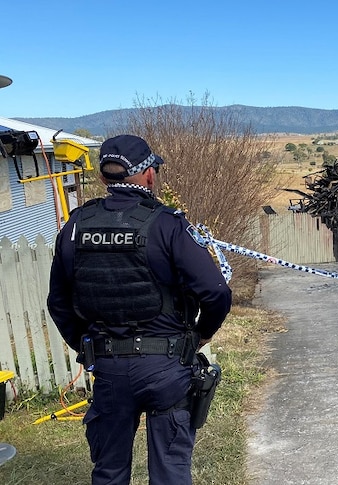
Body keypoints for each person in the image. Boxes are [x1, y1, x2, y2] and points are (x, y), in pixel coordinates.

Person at [47, 134, 232, 485]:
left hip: (109, 369)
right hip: (167, 369)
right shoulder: (168, 224)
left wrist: (88, 347)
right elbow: (216, 292)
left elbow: (58, 302)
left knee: (109, 472)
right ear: (148, 175)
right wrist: (201, 334)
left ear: (103, 178)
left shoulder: (75, 227)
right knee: (170, 473)